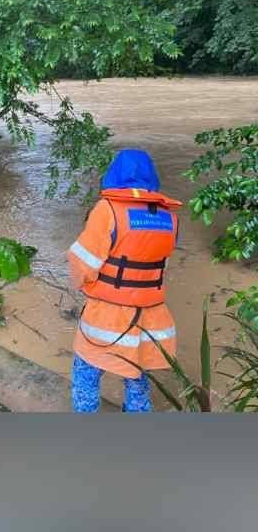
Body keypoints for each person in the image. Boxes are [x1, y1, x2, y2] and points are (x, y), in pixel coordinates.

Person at [66, 148, 181, 413]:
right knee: (137, 374)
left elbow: (83, 262)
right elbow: (159, 266)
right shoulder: (170, 218)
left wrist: (84, 285)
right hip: (149, 317)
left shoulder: (107, 210)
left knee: (86, 372)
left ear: (114, 174)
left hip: (106, 315)